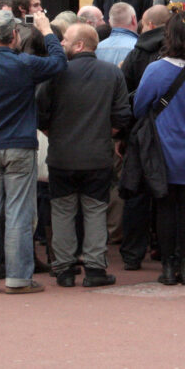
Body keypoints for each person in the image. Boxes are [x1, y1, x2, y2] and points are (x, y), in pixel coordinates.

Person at [0, 9, 66, 294]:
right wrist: (47, 31)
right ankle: (18, 277)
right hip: (19, 144)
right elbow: (58, 63)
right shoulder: (24, 64)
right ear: (14, 36)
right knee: (18, 211)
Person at [36, 23, 131, 287]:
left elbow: (40, 113)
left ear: (79, 45)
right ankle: (95, 269)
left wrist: (54, 133)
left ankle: (64, 269)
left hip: (61, 155)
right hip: (98, 155)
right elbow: (122, 115)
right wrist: (104, 132)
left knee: (62, 211)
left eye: (65, 40)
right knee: (95, 211)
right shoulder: (112, 73)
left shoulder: (56, 74)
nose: (62, 44)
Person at [133, 8, 185, 286]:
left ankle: (167, 266)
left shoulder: (155, 68)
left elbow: (139, 105)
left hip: (163, 145)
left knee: (164, 207)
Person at [118, 4, 171, 270]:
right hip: (170, 132)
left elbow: (124, 97)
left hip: (140, 132)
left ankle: (132, 254)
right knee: (167, 193)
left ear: (148, 24)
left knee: (137, 192)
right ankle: (165, 249)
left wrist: (123, 135)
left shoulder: (136, 54)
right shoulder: (176, 53)